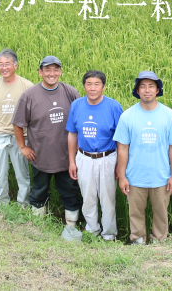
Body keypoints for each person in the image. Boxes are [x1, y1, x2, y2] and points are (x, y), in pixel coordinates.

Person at [12, 56, 81, 232]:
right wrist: (22, 147)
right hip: (40, 156)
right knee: (39, 191)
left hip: (66, 157)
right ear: (40, 72)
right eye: (47, 70)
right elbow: (18, 124)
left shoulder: (70, 92)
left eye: (55, 69)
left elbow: (79, 123)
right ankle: (38, 226)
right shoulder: (29, 95)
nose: (52, 73)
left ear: (60, 72)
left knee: (70, 192)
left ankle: (71, 226)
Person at [114, 71, 172, 245]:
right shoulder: (127, 116)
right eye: (142, 86)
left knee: (161, 212)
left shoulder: (168, 115)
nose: (147, 90)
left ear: (157, 90)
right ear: (137, 90)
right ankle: (138, 240)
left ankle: (160, 240)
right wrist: (122, 176)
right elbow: (122, 148)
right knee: (135, 212)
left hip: (161, 176)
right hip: (135, 176)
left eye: (151, 86)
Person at [66, 70, 124, 241]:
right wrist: (72, 161)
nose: (92, 88)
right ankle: (92, 230)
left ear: (103, 87)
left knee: (108, 199)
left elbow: (121, 140)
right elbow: (72, 134)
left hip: (107, 158)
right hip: (84, 158)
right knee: (88, 197)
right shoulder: (76, 105)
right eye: (89, 84)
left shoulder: (114, 106)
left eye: (96, 84)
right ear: (84, 86)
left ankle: (109, 235)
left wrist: (120, 166)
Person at [0, 48, 34, 206]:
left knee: (22, 174)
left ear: (15, 65)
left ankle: (23, 204)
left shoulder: (27, 86)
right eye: (0, 64)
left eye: (7, 64)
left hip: (20, 138)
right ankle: (2, 202)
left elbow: (33, 116)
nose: (4, 67)